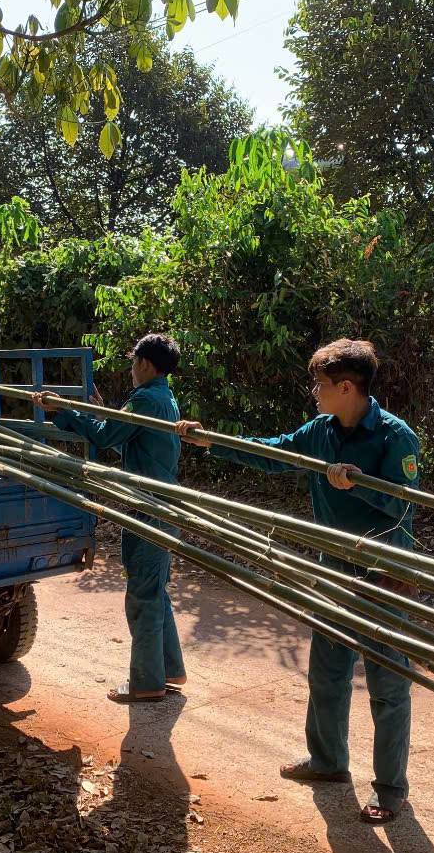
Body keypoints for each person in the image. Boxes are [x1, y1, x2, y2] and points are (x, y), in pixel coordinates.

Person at [175, 338, 420, 825]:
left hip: (383, 573)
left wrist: (360, 484)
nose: (315, 392)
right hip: (331, 567)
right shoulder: (322, 430)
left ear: (346, 387)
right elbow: (276, 452)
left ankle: (391, 788)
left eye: (321, 385)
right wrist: (213, 441)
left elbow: (404, 504)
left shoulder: (395, 437)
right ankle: (328, 762)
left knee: (386, 681)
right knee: (327, 670)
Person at [32, 334, 186, 704]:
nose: (131, 369)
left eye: (134, 362)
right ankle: (169, 669)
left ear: (146, 364)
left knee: (143, 595)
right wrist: (99, 412)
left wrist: (64, 411)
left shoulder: (146, 399)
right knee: (154, 590)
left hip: (149, 506)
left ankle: (147, 683)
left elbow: (104, 438)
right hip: (163, 504)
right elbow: (123, 439)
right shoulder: (165, 398)